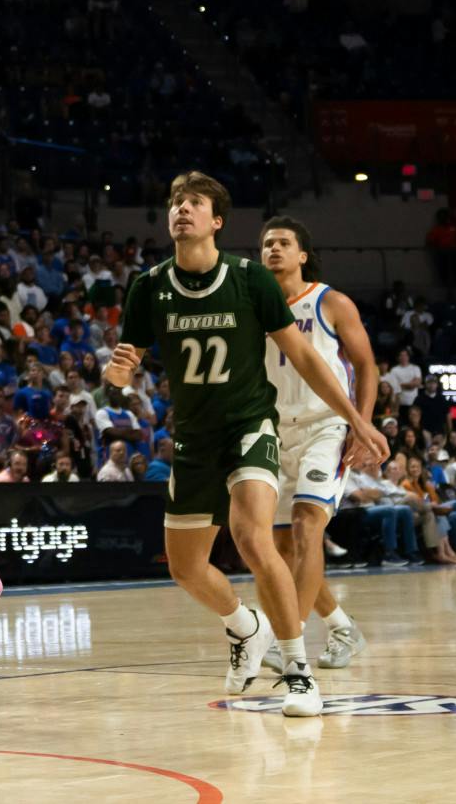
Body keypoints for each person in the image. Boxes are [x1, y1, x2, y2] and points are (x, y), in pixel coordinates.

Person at [105, 173, 387, 718]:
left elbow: (306, 358)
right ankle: (244, 625)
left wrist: (357, 418)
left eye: (195, 203)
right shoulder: (148, 287)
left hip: (252, 425)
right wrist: (115, 375)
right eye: (175, 202)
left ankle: (298, 670)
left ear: (216, 221)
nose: (182, 210)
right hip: (192, 436)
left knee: (256, 537)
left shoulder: (250, 279)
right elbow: (123, 371)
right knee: (185, 568)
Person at [257, 216, 381, 673]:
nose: (273, 249)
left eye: (283, 243)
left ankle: (287, 641)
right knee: (284, 548)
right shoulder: (254, 305)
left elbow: (367, 365)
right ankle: (343, 626)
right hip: (275, 431)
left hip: (326, 425)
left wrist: (360, 424)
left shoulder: (331, 302)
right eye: (267, 243)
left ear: (302, 255)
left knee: (309, 527)